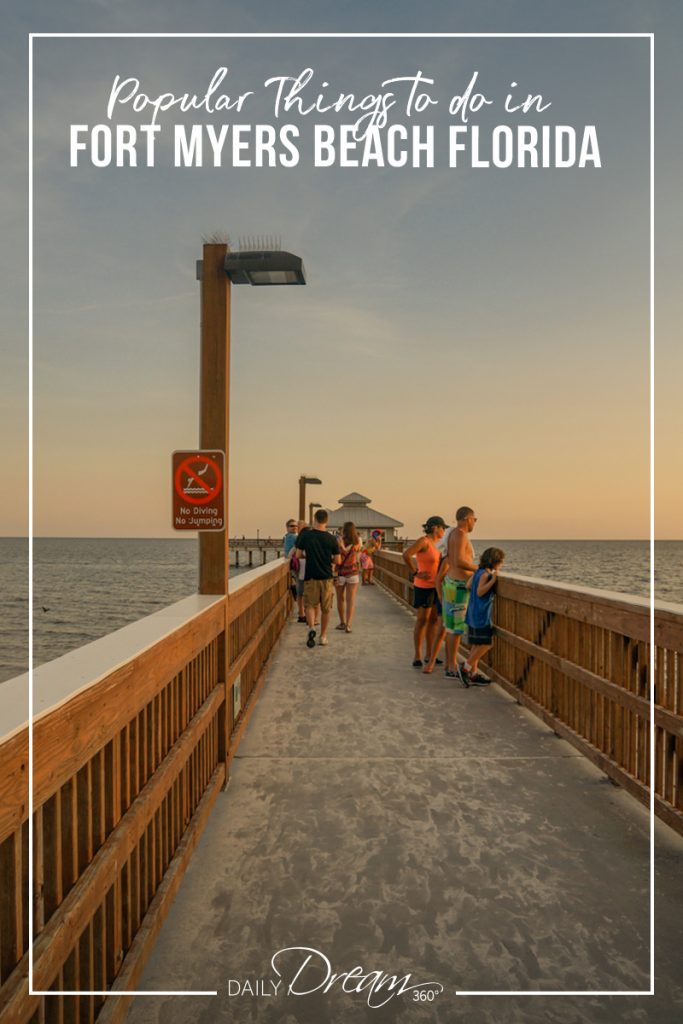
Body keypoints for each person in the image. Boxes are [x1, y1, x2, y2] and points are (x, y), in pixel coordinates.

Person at [440, 506, 478, 683]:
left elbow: (451, 560)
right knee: (456, 630)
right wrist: (479, 568)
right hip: (459, 587)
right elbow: (459, 561)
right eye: (474, 519)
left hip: (450, 583)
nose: (474, 523)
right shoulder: (461, 535)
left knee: (450, 628)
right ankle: (453, 666)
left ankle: (449, 665)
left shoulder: (452, 534)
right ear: (466, 518)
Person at [402, 516, 446, 668]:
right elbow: (406, 555)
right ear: (435, 527)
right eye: (443, 528)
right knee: (422, 620)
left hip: (436, 586)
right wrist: (415, 572)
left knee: (434, 621)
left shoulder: (436, 545)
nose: (444, 531)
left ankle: (429, 654)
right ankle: (417, 655)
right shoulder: (424, 541)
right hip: (423, 587)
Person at [295, 509, 340, 647]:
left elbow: (297, 555)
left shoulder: (306, 536)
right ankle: (323, 636)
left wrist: (308, 557)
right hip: (326, 577)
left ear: (314, 519)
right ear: (326, 521)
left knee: (309, 605)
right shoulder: (332, 538)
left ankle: (312, 628)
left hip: (311, 576)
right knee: (326, 608)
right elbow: (338, 561)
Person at [461, 547, 505, 685]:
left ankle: (473, 674)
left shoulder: (477, 572)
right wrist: (492, 581)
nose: (501, 564)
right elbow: (480, 592)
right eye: (501, 561)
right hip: (481, 615)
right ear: (495, 561)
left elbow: (468, 585)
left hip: (472, 613)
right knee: (486, 644)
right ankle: (465, 669)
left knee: (477, 644)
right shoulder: (486, 575)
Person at [335, 521, 362, 633]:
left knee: (340, 599)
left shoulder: (338, 541)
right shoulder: (358, 541)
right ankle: (349, 625)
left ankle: (342, 622)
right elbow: (358, 553)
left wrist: (341, 546)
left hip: (340, 573)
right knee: (350, 600)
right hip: (353, 573)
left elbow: (336, 556)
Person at [289, 519, 308, 622]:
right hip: (306, 570)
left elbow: (290, 554)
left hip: (300, 570)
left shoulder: (298, 540)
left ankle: (301, 613)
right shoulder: (307, 539)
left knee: (300, 593)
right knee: (305, 593)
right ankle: (304, 613)